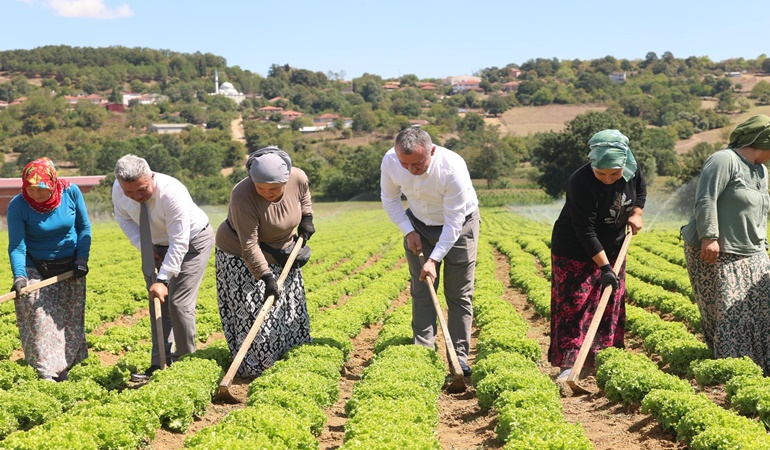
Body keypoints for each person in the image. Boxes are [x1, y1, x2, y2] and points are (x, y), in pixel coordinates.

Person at [380, 127, 480, 377]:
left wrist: (434, 258)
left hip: (459, 226)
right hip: (418, 225)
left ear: (432, 151)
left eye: (418, 164)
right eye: (406, 164)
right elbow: (390, 199)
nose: (412, 170)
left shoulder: (452, 168)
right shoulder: (391, 161)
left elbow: (455, 220)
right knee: (422, 289)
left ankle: (459, 359)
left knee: (458, 293)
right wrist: (407, 230)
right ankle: (423, 353)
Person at [548, 129, 645, 382]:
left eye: (615, 173)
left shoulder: (632, 170)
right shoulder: (579, 182)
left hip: (614, 246)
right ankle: (569, 366)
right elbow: (585, 230)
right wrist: (605, 269)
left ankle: (602, 360)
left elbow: (640, 192)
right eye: (601, 173)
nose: (608, 179)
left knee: (611, 303)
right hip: (575, 249)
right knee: (575, 306)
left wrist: (636, 213)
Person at [681, 114, 770, 375]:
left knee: (762, 312)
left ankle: (760, 369)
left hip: (753, 251)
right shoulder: (724, 160)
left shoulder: (761, 170)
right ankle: (733, 371)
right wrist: (710, 236)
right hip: (718, 251)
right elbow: (705, 199)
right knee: (731, 315)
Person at [112, 154, 214, 381]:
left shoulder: (171, 192)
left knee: (178, 303)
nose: (136, 196)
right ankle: (160, 364)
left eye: (142, 190)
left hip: (192, 243)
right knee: (157, 302)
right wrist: (145, 246)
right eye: (130, 192)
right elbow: (124, 220)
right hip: (155, 243)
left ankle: (188, 365)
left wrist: (163, 279)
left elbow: (180, 241)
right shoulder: (119, 189)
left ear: (151, 177)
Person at [215, 146, 314, 377]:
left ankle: (288, 355)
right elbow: (249, 245)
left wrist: (307, 219)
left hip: (283, 249)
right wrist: (266, 277)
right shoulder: (242, 196)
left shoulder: (297, 177)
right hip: (240, 256)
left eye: (274, 189)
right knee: (254, 309)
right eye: (261, 188)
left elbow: (304, 196)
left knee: (288, 307)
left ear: (286, 180)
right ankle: (256, 366)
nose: (267, 193)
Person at [6, 157, 91, 381]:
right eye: (30, 189)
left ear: (52, 183)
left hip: (70, 265)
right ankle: (46, 371)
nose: (35, 194)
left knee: (69, 319)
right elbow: (16, 245)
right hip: (36, 266)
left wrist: (82, 258)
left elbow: (84, 228)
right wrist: (20, 276)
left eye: (40, 189)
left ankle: (66, 367)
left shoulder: (71, 193)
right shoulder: (18, 205)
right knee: (37, 318)